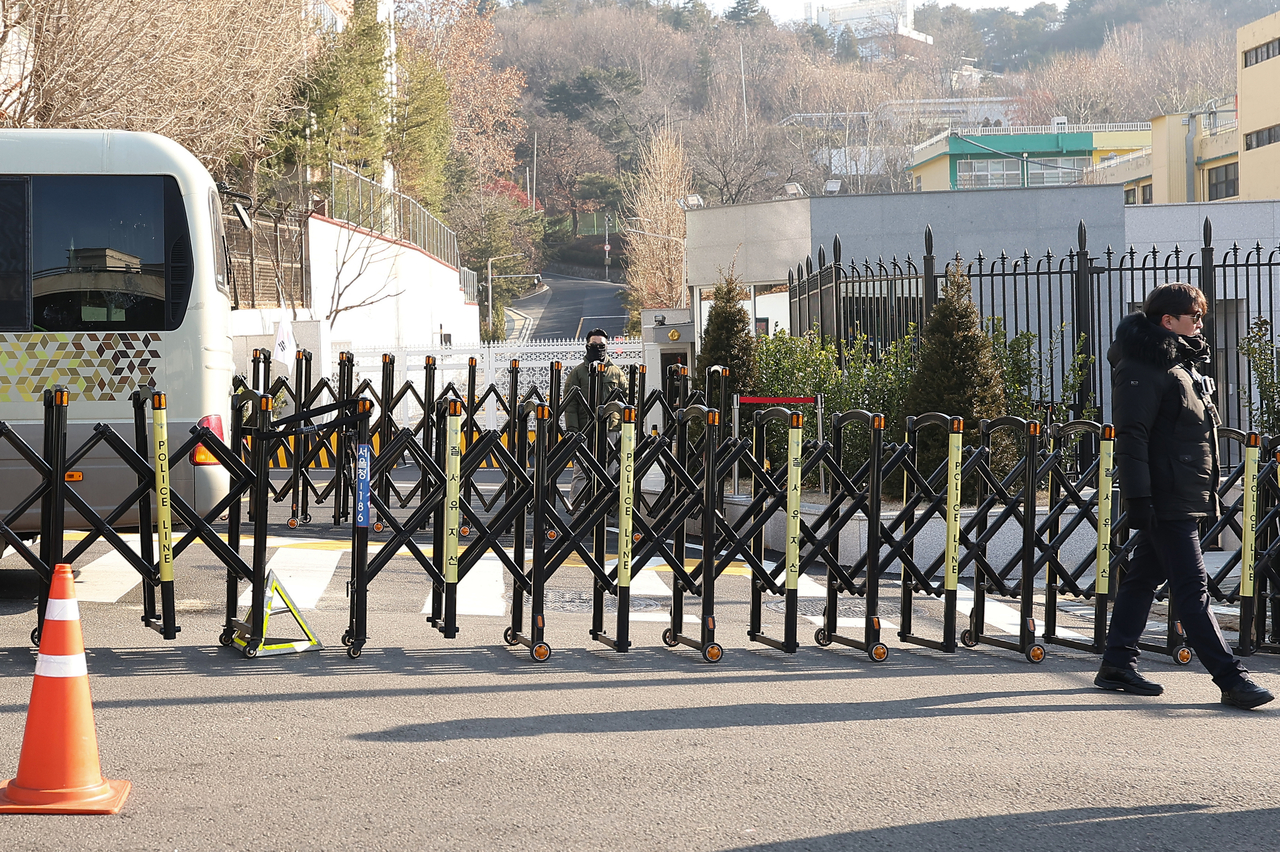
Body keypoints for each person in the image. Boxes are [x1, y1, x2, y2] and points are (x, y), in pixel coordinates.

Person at [1098, 282, 1273, 709]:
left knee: (1141, 579)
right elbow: (1132, 436)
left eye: (1201, 316)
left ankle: (1117, 663)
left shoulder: (1180, 363)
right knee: (1193, 589)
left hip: (1182, 491)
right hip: (1165, 496)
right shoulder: (1143, 365)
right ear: (1167, 321)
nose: (1201, 323)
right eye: (1194, 316)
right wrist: (1140, 499)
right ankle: (1231, 679)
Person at [563, 328, 626, 510]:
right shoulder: (577, 373)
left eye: (602, 345)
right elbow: (570, 404)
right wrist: (573, 429)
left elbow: (627, 400)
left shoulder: (616, 373)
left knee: (610, 470)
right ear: (587, 346)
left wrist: (625, 428)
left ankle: (606, 511)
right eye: (594, 345)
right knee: (582, 471)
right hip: (585, 429)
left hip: (611, 429)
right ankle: (578, 510)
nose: (598, 348)